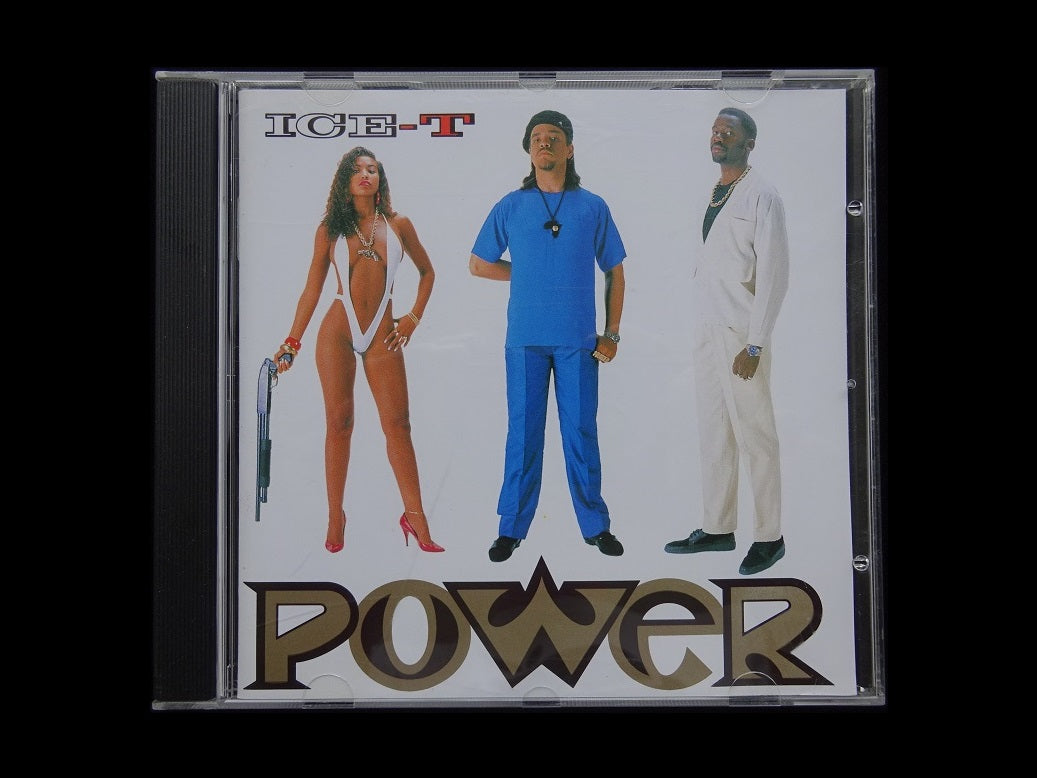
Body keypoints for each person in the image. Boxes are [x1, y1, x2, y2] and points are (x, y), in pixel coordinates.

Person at [469, 109, 627, 562]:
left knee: (581, 432)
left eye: (554, 136)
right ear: (528, 149)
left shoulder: (592, 206)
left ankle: (596, 527)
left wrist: (612, 333)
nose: (545, 142)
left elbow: (615, 272)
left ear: (570, 148)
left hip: (579, 340)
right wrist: (528, 274)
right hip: (525, 339)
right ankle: (510, 529)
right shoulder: (511, 206)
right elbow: (478, 264)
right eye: (537, 137)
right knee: (522, 435)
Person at [273, 146, 444, 554]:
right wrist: (291, 342)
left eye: (372, 169)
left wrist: (413, 318)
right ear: (345, 181)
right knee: (340, 422)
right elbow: (312, 289)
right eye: (358, 170)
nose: (366, 175)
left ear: (380, 179)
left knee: (398, 425)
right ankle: (336, 515)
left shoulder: (399, 224)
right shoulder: (330, 229)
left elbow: (428, 272)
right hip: (338, 330)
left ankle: (416, 515)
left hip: (383, 333)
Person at [663, 107, 789, 575]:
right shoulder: (714, 192)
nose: (718, 137)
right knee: (714, 431)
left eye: (729, 132)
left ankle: (770, 537)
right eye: (715, 131)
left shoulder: (763, 196)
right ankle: (718, 527)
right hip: (707, 328)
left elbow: (774, 275)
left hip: (741, 334)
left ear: (749, 143)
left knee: (756, 435)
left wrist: (755, 344)